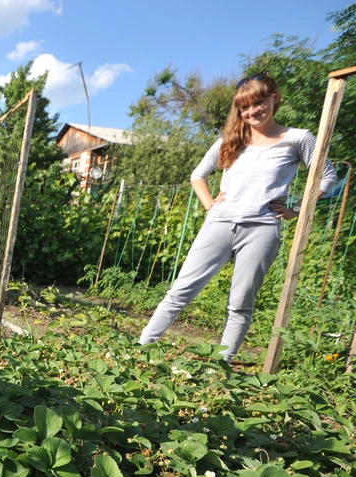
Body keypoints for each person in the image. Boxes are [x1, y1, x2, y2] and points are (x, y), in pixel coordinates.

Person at [138, 73, 336, 363]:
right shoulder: (231, 139)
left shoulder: (298, 138)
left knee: (241, 302)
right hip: (219, 224)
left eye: (258, 103)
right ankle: (140, 349)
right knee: (181, 290)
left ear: (274, 99)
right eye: (245, 107)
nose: (252, 111)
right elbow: (198, 175)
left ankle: (222, 364)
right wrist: (209, 205)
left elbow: (327, 175)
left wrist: (296, 210)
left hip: (262, 228)